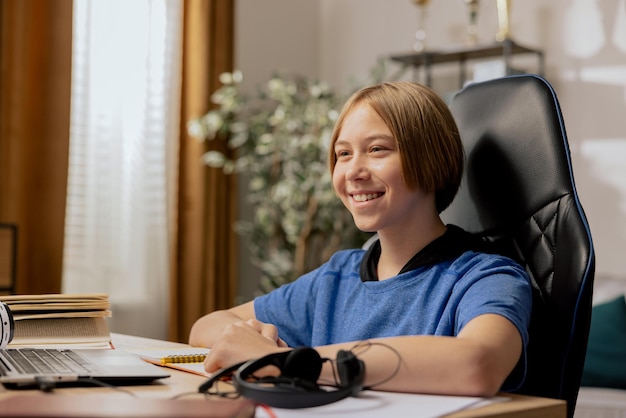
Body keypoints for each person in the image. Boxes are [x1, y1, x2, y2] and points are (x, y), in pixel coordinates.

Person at [189, 81, 532, 397]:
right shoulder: (337, 277)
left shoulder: (487, 277)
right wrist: (255, 342)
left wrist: (293, 362)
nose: (353, 170)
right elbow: (206, 327)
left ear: (432, 158)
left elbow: (478, 365)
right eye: (343, 154)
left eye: (377, 149)